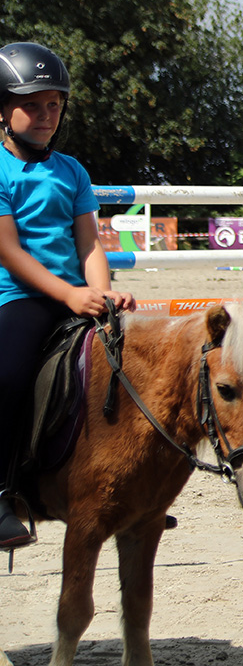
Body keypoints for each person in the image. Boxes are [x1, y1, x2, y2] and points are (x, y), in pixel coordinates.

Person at [0, 42, 136, 550]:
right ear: (3, 108)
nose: (45, 115)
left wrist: (101, 293)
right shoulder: (0, 169)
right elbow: (10, 252)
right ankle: (2, 491)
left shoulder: (72, 171)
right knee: (8, 375)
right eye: (32, 104)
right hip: (19, 295)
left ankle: (127, 489)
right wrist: (70, 296)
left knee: (130, 362)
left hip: (75, 292)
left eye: (54, 104)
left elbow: (89, 244)